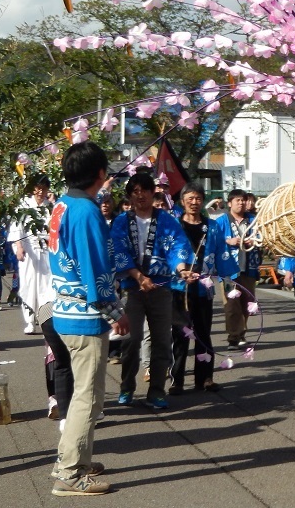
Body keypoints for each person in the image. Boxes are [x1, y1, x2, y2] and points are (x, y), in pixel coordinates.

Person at [48, 141, 130, 497]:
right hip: (85, 313)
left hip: (65, 310)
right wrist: (116, 312)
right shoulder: (85, 210)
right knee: (89, 396)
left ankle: (74, 458)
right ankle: (69, 472)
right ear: (100, 174)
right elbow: (94, 267)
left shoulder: (62, 204)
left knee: (87, 392)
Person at [109, 171, 193, 410]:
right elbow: (118, 252)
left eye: (145, 190)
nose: (141, 195)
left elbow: (178, 245)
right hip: (133, 288)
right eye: (135, 191)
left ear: (152, 192)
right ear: (129, 196)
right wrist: (138, 276)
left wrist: (181, 268)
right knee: (131, 339)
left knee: (161, 340)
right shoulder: (121, 222)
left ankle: (157, 390)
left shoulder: (166, 220)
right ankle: (127, 386)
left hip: (161, 286)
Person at [170, 182, 233, 394]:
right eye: (190, 199)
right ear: (182, 202)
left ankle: (205, 378)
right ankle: (176, 380)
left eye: (198, 198)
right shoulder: (174, 225)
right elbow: (167, 253)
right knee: (180, 334)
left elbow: (222, 252)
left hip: (204, 287)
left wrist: (229, 277)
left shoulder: (212, 226)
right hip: (179, 287)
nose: (194, 203)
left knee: (203, 333)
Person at [7, 174, 53, 334]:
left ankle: (45, 318)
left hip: (47, 251)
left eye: (44, 189)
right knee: (28, 285)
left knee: (46, 286)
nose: (41, 192)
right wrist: (19, 247)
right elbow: (16, 228)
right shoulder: (24, 205)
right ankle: (30, 320)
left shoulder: (51, 207)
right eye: (38, 188)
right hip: (29, 250)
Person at [215, 189, 260, 350]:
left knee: (247, 302)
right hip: (228, 270)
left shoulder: (253, 220)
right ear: (229, 203)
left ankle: (241, 332)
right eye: (237, 200)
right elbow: (213, 240)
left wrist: (252, 241)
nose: (241, 203)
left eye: (243, 200)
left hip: (248, 268)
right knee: (231, 304)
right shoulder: (221, 221)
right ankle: (233, 336)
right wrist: (229, 240)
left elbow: (261, 237)